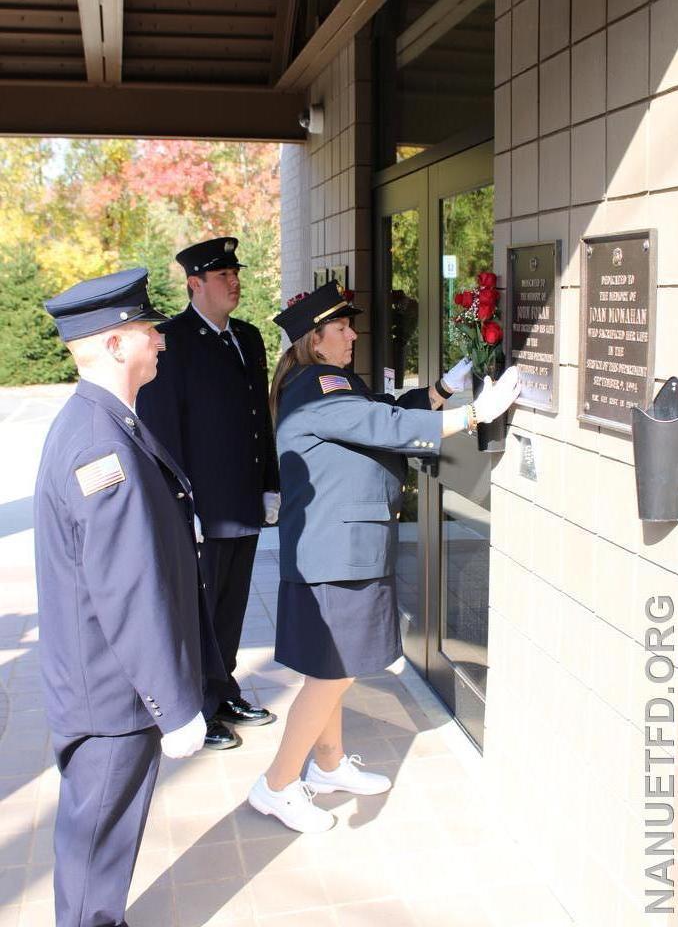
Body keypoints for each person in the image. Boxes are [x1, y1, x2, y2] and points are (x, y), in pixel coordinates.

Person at [247, 280, 520, 832]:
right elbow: (380, 425)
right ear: (314, 340)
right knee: (332, 674)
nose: (352, 334)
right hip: (335, 553)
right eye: (341, 327)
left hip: (341, 548)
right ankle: (275, 785)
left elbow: (384, 412)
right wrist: (472, 415)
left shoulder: (333, 383)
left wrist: (441, 391)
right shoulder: (315, 385)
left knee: (333, 669)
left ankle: (326, 766)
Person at [35, 268, 209, 927]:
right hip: (112, 698)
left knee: (98, 864)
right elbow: (127, 589)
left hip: (108, 685)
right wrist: (175, 707)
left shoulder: (106, 421)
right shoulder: (97, 443)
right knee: (93, 868)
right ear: (114, 345)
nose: (159, 337)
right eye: (146, 328)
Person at [138, 236, 279, 749]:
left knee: (232, 604)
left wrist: (270, 484)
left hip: (243, 499)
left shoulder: (247, 336)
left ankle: (223, 690)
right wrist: (183, 506)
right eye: (223, 276)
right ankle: (196, 705)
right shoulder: (171, 340)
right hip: (203, 505)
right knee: (197, 609)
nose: (234, 282)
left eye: (235, 273)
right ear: (195, 285)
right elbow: (162, 432)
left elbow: (259, 418)